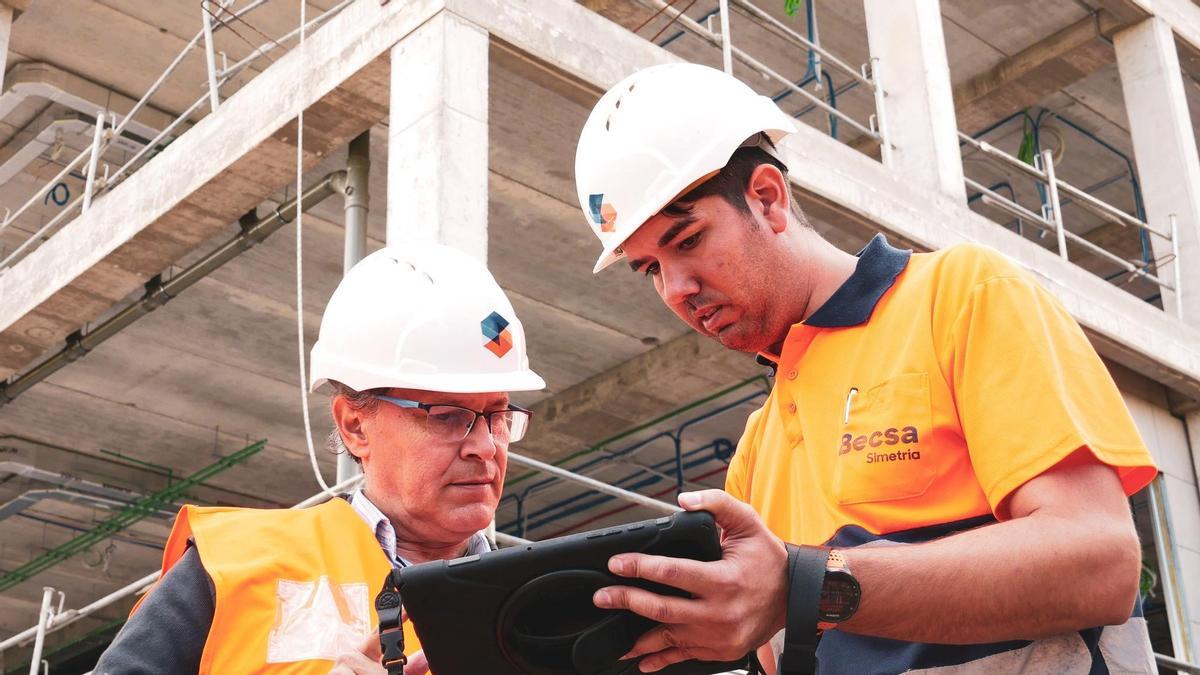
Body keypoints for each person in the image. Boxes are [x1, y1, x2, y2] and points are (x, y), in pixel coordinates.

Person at [573, 62, 1159, 674]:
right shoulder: (756, 452)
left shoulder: (961, 295)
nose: (676, 290)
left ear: (767, 199)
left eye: (687, 241)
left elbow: (1101, 563)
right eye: (649, 270)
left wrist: (807, 586)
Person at [93, 242, 544, 674]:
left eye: (498, 416)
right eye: (447, 416)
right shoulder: (234, 566)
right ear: (355, 425)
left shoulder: (543, 601)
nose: (485, 446)